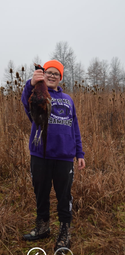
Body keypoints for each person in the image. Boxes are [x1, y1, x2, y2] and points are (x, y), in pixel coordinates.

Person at [21, 59, 85, 251]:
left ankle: (64, 230)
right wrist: (31, 84)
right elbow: (26, 101)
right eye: (48, 72)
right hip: (40, 155)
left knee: (64, 195)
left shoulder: (68, 99)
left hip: (64, 156)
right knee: (41, 193)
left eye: (56, 73)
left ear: (60, 78)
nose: (51, 75)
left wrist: (79, 152)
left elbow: (75, 127)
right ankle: (43, 226)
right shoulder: (35, 95)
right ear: (43, 75)